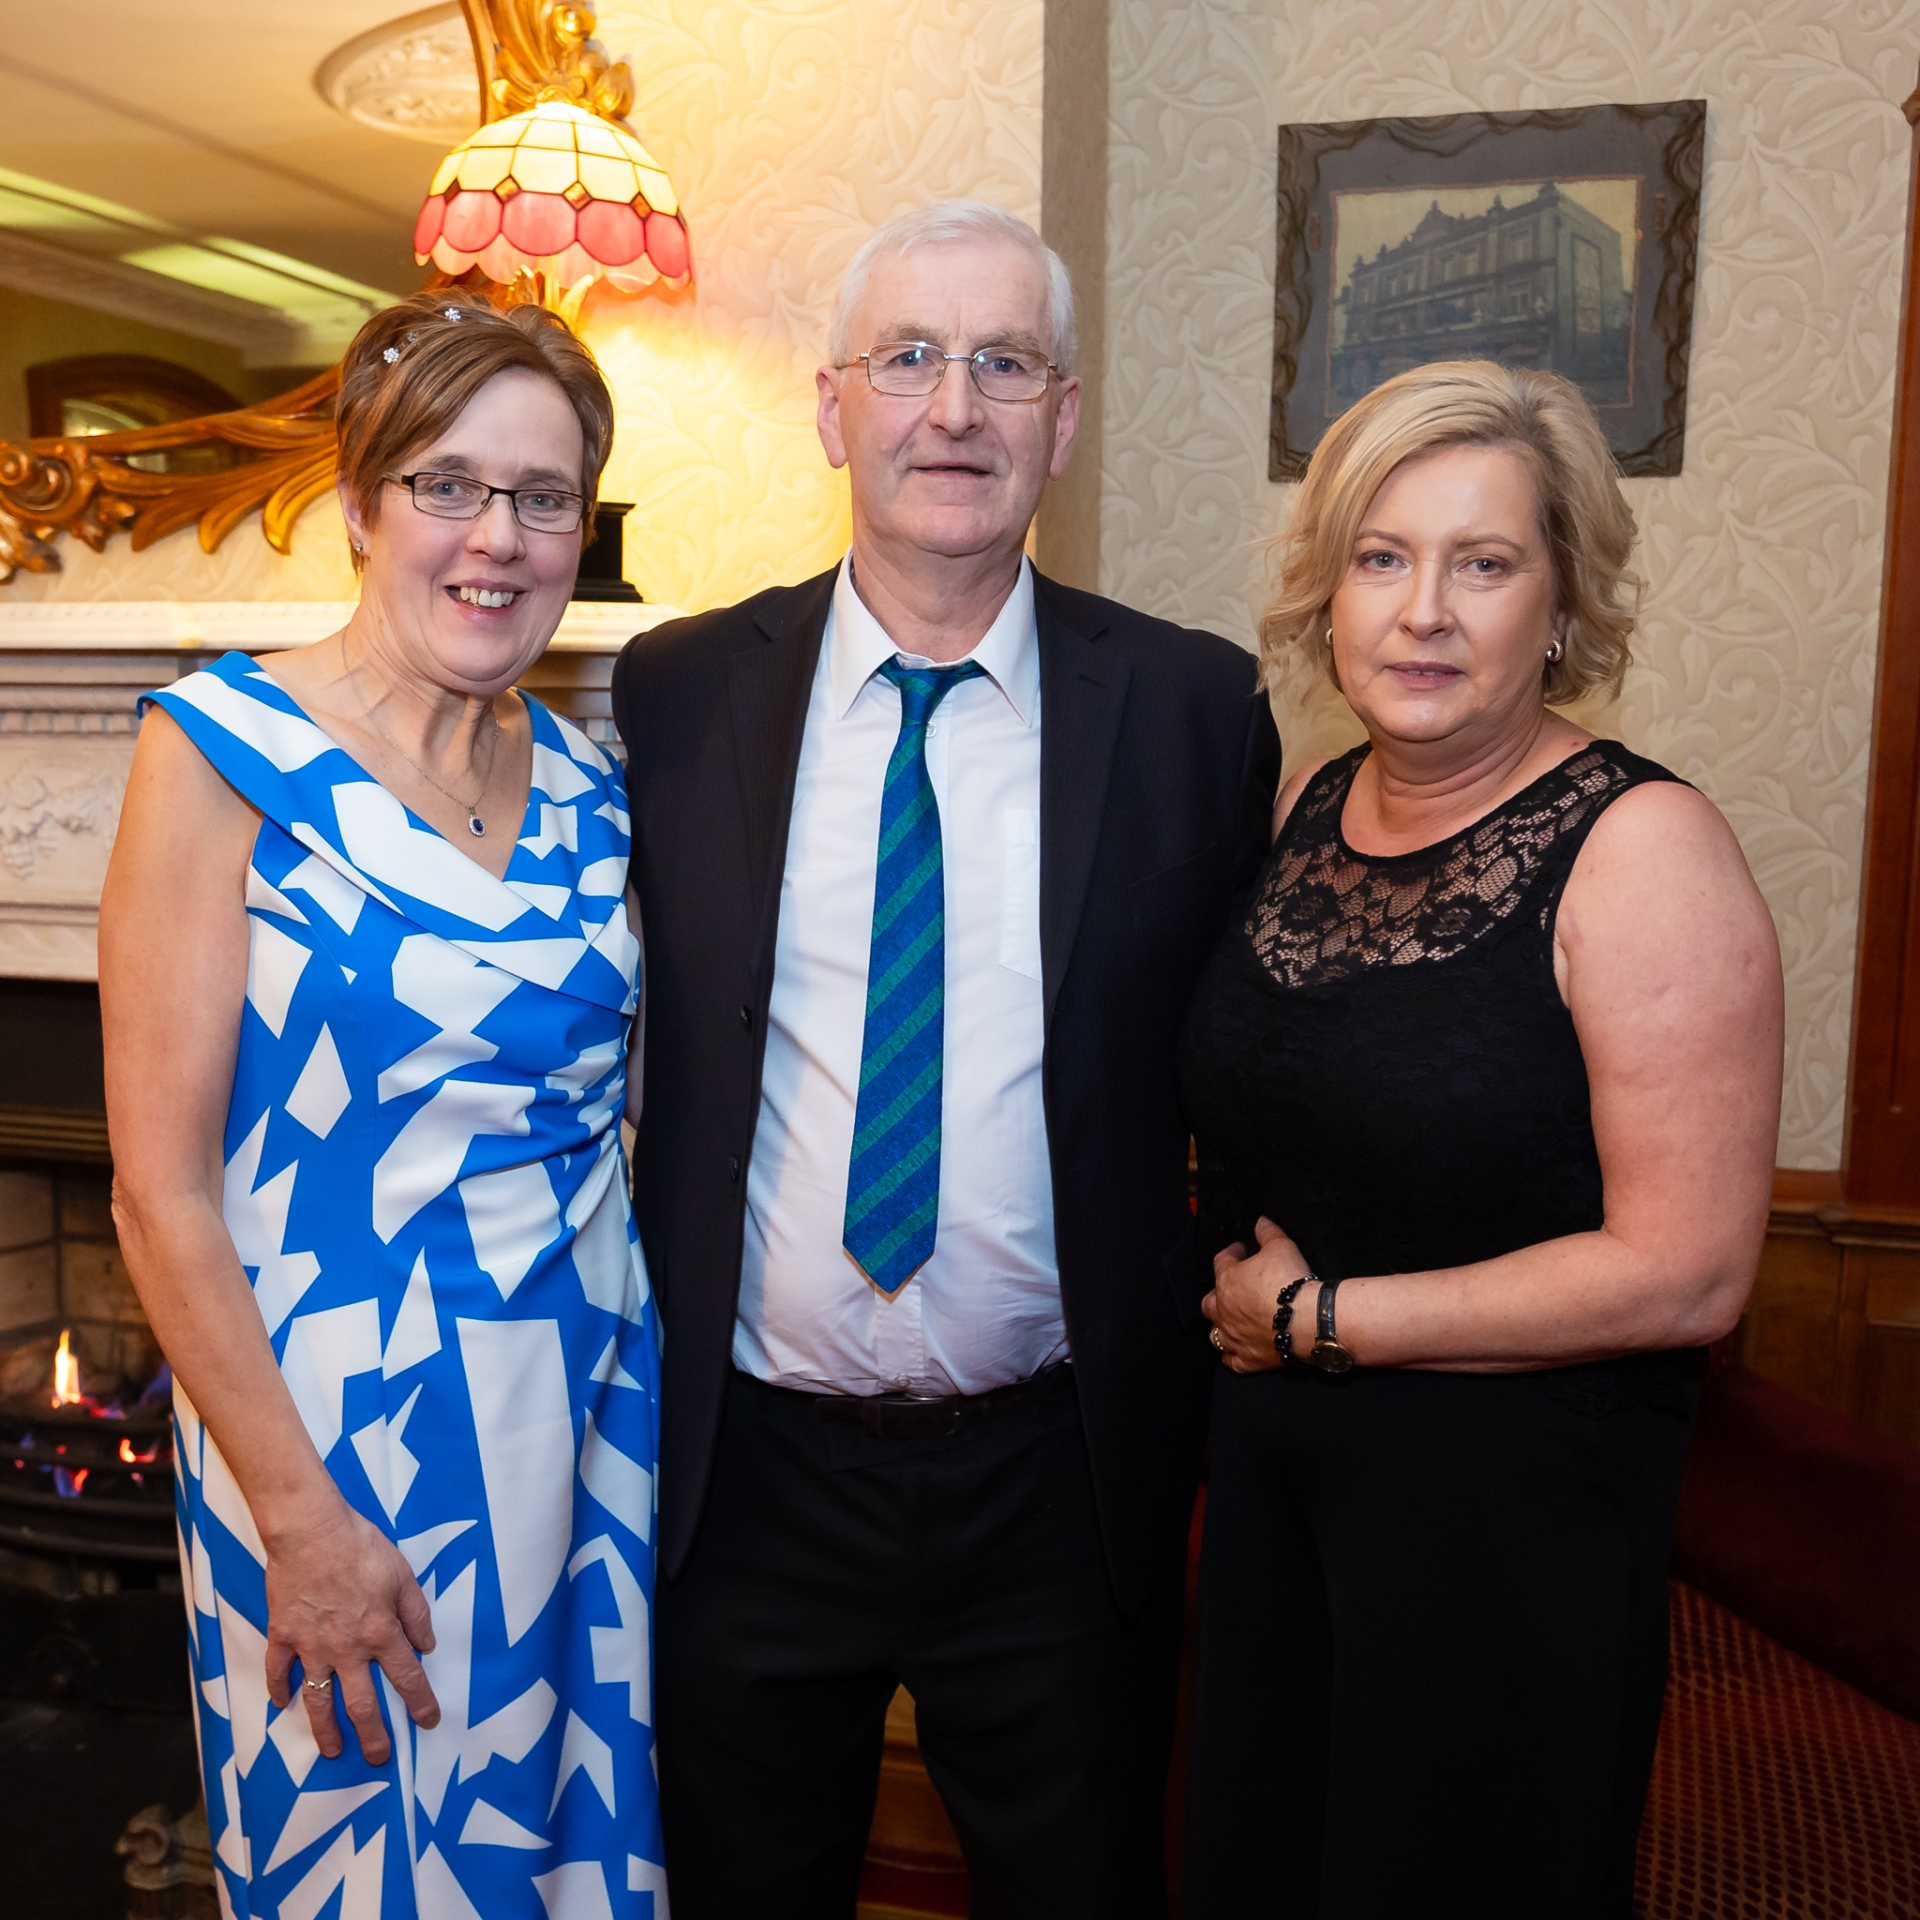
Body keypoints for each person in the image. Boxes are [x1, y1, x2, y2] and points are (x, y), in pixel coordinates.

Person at [610, 199, 1280, 1918]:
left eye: (1005, 364)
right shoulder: (677, 692)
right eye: (906, 359)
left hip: (1061, 1480)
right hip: (746, 1478)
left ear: (1066, 418)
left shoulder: (1196, 711)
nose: (955, 409)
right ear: (833, 409)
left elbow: (1253, 1053)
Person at [1177, 359, 1784, 1919]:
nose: (1425, 612)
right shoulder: (1307, 804)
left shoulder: (1644, 849)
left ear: (1562, 605)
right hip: (1277, 1509)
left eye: (1485, 563)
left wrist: (1321, 1323)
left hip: (1506, 1540)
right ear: (1330, 593)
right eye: (1383, 558)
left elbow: (1689, 1274)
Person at [100, 291, 665, 1919]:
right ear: (359, 505)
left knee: (564, 1870)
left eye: (543, 497)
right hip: (335, 1454)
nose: (498, 538)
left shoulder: (592, 781)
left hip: (588, 1440)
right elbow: (155, 1194)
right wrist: (300, 1522)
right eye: (448, 485)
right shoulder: (221, 755)